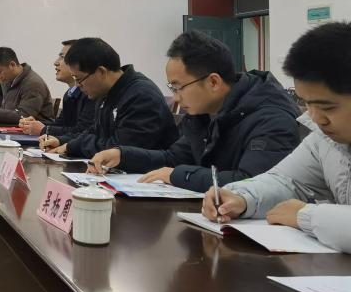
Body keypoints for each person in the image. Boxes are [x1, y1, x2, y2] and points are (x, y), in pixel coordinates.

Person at [204, 22, 351, 253]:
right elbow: (287, 181)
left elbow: (300, 210)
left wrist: (305, 216)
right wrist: (241, 198)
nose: (316, 118)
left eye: (327, 107)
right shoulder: (325, 140)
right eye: (306, 103)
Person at [85, 31, 300, 188]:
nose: (176, 97)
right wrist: (122, 155)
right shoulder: (204, 113)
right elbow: (174, 158)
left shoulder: (271, 117)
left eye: (179, 87)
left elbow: (252, 183)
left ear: (213, 82)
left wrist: (177, 176)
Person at [41, 37, 178, 158]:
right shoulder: (107, 91)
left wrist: (72, 146)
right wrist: (62, 141)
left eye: (79, 79)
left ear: (101, 72)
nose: (78, 85)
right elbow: (94, 132)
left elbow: (121, 148)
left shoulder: (141, 96)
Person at [20, 39, 96, 139]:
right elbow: (61, 124)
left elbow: (82, 130)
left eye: (62, 57)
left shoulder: (92, 94)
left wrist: (44, 129)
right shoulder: (69, 94)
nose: (55, 62)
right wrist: (34, 124)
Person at [0, 47, 55, 125]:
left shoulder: (33, 83)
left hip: (33, 131)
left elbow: (23, 116)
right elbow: (3, 109)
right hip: (9, 127)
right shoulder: (8, 81)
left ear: (12, 65)